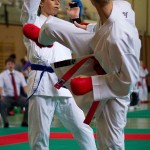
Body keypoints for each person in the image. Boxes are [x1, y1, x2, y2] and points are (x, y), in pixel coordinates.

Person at [36, 0, 141, 149]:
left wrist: (91, 82)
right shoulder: (122, 7)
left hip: (114, 83)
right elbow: (118, 19)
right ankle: (41, 39)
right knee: (50, 26)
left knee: (110, 144)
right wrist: (81, 24)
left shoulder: (120, 37)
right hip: (98, 44)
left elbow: (128, 81)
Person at [20, 0, 97, 150]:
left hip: (64, 85)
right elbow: (28, 8)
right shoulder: (32, 21)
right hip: (41, 85)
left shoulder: (62, 26)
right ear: (41, 3)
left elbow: (83, 39)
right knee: (39, 136)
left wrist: (75, 20)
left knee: (83, 129)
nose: (57, 3)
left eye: (58, 1)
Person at [0, 57, 28, 128]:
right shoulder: (2, 75)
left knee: (29, 102)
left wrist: (29, 95)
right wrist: (1, 96)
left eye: (12, 64)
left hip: (18, 97)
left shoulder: (20, 74)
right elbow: (1, 87)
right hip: (7, 98)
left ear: (14, 65)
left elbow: (25, 86)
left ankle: (25, 121)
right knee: (1, 103)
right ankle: (5, 122)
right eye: (8, 64)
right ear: (6, 65)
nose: (10, 65)